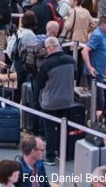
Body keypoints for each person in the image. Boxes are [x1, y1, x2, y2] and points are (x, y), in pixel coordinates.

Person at [36, 36, 75, 165]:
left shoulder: (47, 63)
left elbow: (40, 83)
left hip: (50, 102)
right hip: (67, 101)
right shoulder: (71, 60)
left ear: (49, 48)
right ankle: (62, 153)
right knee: (63, 127)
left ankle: (51, 156)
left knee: (50, 129)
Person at [82, 15, 106, 110]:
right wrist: (90, 67)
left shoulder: (102, 35)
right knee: (99, 100)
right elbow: (84, 51)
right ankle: (96, 120)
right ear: (103, 24)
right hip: (95, 73)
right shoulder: (98, 35)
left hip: (99, 71)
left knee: (99, 98)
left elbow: (101, 49)